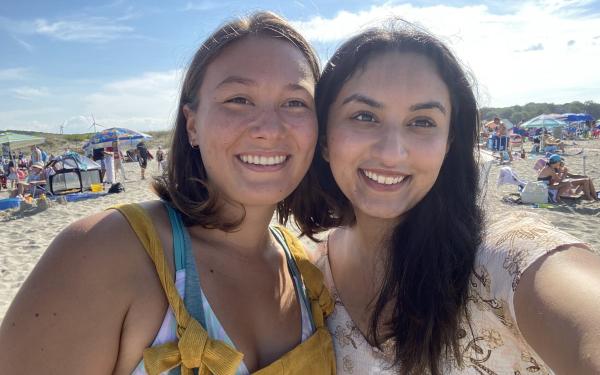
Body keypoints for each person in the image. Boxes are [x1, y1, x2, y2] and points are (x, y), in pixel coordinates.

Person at [0, 12, 336, 375]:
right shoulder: (105, 253)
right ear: (192, 125)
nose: (269, 129)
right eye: (239, 99)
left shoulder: (307, 272)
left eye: (295, 102)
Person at [294, 24, 600, 374]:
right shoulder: (308, 275)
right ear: (324, 139)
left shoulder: (507, 260)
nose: (392, 153)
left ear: (449, 143)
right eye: (365, 116)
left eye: (422, 121)